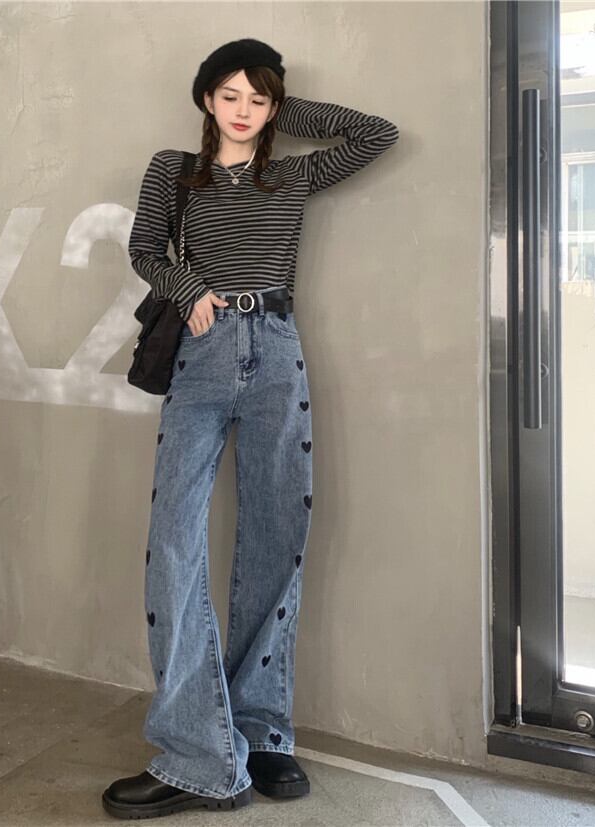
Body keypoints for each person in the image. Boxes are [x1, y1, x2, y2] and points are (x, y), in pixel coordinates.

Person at [102, 38, 400, 820]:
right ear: (206, 98)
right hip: (202, 352)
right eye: (229, 94)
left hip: (275, 351)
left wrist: (281, 111)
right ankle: (197, 752)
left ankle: (261, 729)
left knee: (276, 535)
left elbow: (377, 133)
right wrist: (189, 286)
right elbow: (144, 248)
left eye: (258, 98)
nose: (242, 110)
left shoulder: (293, 174)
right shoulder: (174, 169)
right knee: (174, 540)